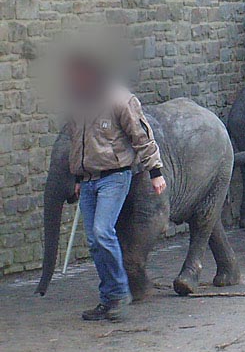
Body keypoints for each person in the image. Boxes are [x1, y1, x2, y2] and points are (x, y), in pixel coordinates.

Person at [63, 53, 167, 321]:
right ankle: (109, 297)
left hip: (115, 176)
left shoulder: (120, 99)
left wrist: (156, 172)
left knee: (102, 232)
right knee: (94, 242)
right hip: (88, 180)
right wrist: (76, 178)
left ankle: (120, 292)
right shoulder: (77, 102)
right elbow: (76, 143)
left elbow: (142, 136)